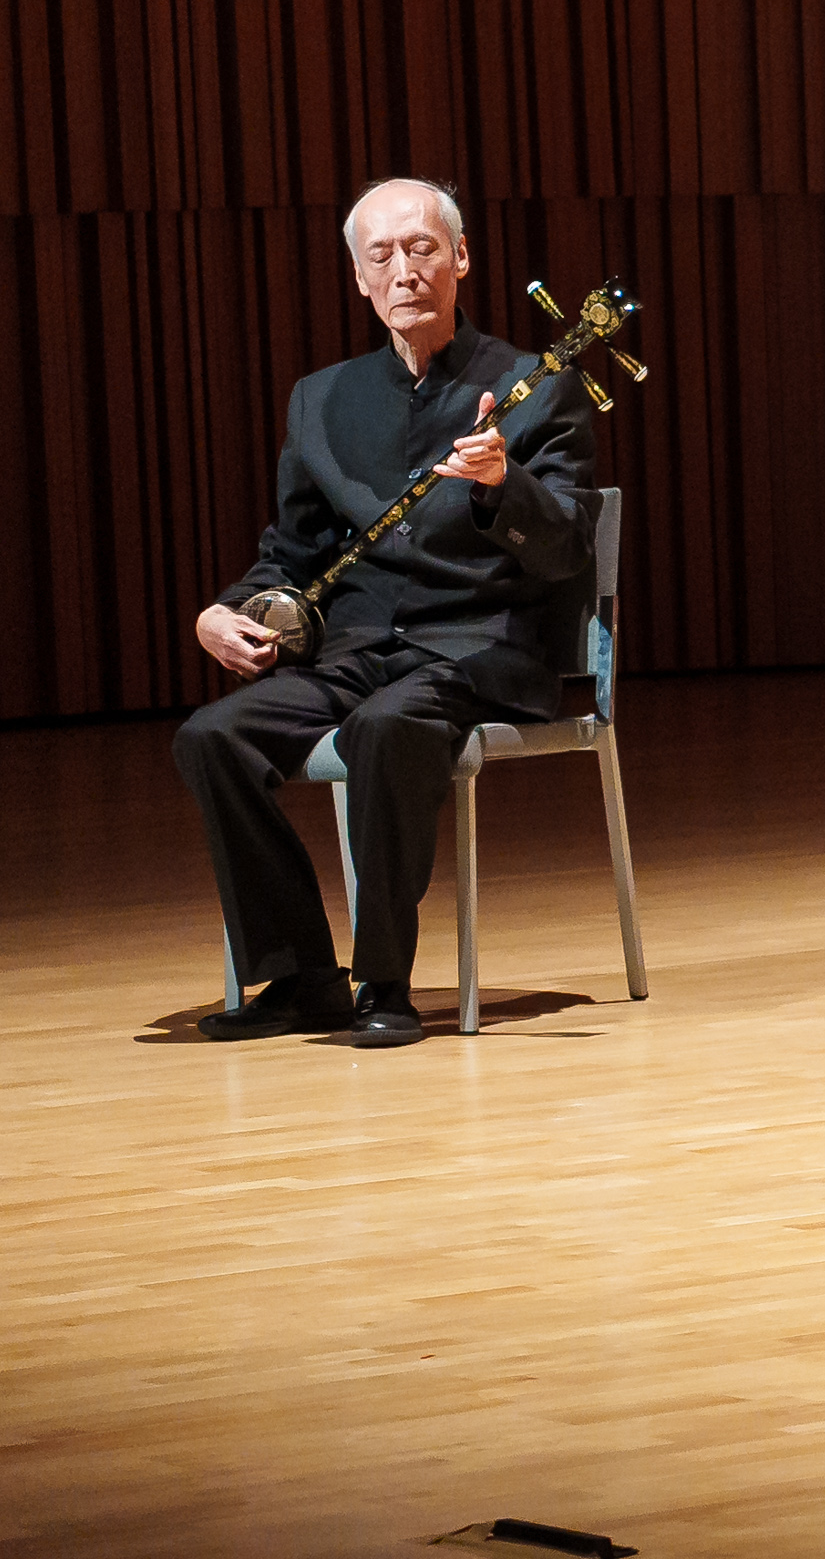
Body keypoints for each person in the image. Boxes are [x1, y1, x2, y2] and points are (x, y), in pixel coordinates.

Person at [178, 179, 597, 1047]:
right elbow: (290, 554)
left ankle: (386, 987)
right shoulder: (322, 399)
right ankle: (302, 977)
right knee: (213, 736)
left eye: (422, 250)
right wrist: (221, 614)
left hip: (477, 652)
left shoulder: (534, 386)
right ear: (360, 279)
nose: (404, 271)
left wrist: (500, 483)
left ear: (461, 259)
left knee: (388, 724)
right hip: (357, 651)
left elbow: (566, 548)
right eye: (382, 256)